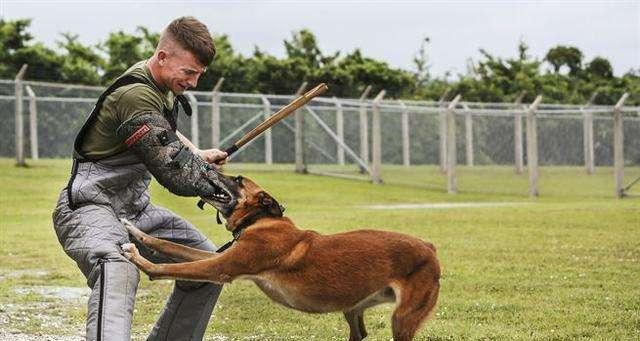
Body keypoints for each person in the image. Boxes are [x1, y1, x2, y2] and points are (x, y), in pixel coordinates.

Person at [52, 16, 229, 341]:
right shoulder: (135, 94)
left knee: (206, 267)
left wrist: (199, 154)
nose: (193, 82)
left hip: (135, 210)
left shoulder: (161, 84)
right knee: (117, 266)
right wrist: (232, 197)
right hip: (88, 207)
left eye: (199, 75)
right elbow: (173, 171)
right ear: (162, 57)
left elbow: (167, 136)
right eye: (189, 72)